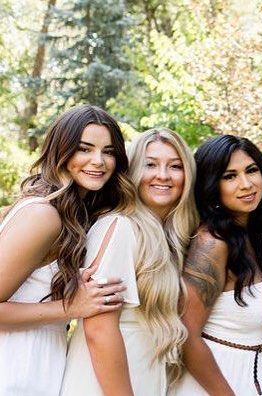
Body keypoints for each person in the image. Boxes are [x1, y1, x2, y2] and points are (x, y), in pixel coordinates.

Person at [0, 105, 127, 395]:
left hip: (41, 359)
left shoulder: (72, 212)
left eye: (108, 152)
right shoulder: (43, 215)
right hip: (14, 365)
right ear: (61, 151)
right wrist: (71, 307)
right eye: (85, 149)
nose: (98, 161)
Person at [61, 123, 187, 395]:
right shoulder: (119, 227)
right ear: (132, 172)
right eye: (150, 165)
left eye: (175, 166)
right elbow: (98, 330)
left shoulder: (168, 238)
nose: (163, 176)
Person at [175, 135, 262, 395]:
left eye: (251, 170)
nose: (246, 184)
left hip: (255, 374)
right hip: (216, 382)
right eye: (230, 176)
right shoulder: (212, 244)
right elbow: (186, 336)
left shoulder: (257, 233)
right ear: (211, 185)